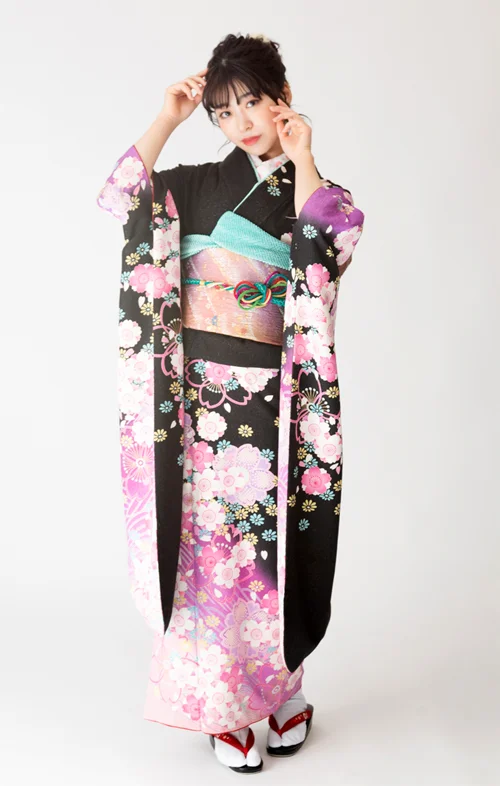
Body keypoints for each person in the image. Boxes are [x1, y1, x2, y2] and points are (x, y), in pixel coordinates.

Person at [96, 31, 365, 774]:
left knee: (273, 556)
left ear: (283, 97)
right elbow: (117, 196)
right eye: (223, 112)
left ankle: (281, 691)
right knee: (212, 561)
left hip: (276, 407)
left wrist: (305, 159)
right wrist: (168, 118)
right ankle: (227, 707)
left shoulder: (315, 192)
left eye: (252, 102)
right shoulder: (191, 184)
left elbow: (329, 248)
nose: (240, 122)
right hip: (201, 408)